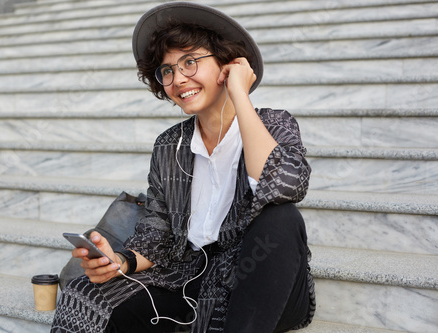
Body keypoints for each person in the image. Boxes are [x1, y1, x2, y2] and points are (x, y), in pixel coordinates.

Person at [51, 2, 315, 332]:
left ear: (226, 63)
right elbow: (157, 232)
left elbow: (286, 186)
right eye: (167, 70)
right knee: (84, 294)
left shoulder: (274, 124)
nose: (178, 79)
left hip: (260, 283)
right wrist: (120, 260)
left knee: (282, 218)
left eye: (190, 62)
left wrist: (240, 95)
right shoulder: (169, 145)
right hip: (191, 280)